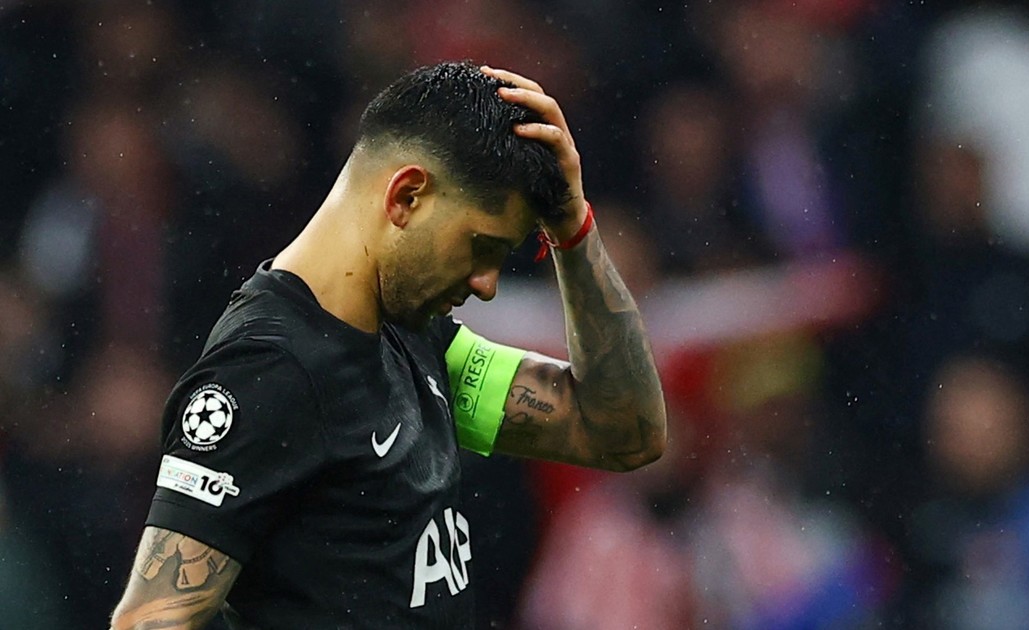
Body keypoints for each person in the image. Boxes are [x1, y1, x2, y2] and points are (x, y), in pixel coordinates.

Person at [109, 61, 667, 629]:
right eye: (482, 247)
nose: (487, 285)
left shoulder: (415, 339)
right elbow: (149, 621)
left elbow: (622, 432)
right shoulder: (270, 368)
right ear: (406, 196)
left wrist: (573, 228)